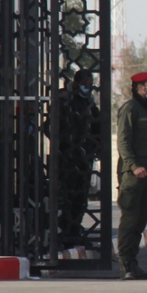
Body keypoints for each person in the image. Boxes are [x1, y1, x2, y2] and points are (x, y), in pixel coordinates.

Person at [115, 72, 147, 281]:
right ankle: (126, 263)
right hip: (132, 176)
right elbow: (123, 142)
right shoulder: (130, 108)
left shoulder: (144, 109)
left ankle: (133, 263)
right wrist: (134, 166)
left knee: (140, 220)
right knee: (130, 219)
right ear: (139, 87)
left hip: (146, 176)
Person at [54, 69, 101, 248]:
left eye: (89, 84)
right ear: (76, 82)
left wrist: (97, 145)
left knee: (81, 195)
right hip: (67, 157)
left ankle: (74, 230)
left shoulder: (87, 102)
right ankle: (65, 231)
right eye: (85, 84)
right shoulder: (64, 100)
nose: (87, 87)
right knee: (67, 194)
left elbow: (97, 123)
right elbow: (53, 126)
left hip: (84, 156)